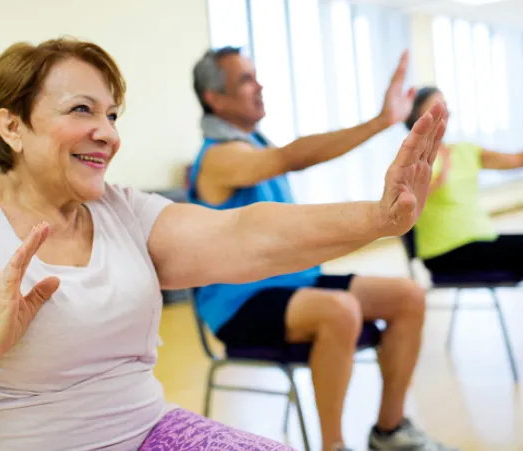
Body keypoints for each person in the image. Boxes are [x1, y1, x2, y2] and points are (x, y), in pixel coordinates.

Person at [0, 37, 447, 451]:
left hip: (144, 432)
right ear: (12, 125)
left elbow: (242, 234)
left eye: (113, 115)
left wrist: (377, 218)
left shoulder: (120, 209)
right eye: (83, 110)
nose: (106, 132)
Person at [189, 47, 457, 451]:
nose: (259, 85)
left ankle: (389, 430)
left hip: (296, 285)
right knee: (340, 309)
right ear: (215, 98)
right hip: (240, 303)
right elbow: (292, 157)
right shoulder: (219, 158)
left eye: (256, 75)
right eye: (245, 79)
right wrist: (382, 121)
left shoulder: (253, 143)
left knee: (408, 297)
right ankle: (333, 445)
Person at [405, 86, 523, 377]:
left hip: (481, 239)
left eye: (445, 105)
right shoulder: (412, 158)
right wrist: (440, 173)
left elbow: (516, 160)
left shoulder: (464, 150)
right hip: (446, 252)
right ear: (416, 116)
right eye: (434, 106)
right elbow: (408, 203)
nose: (443, 112)